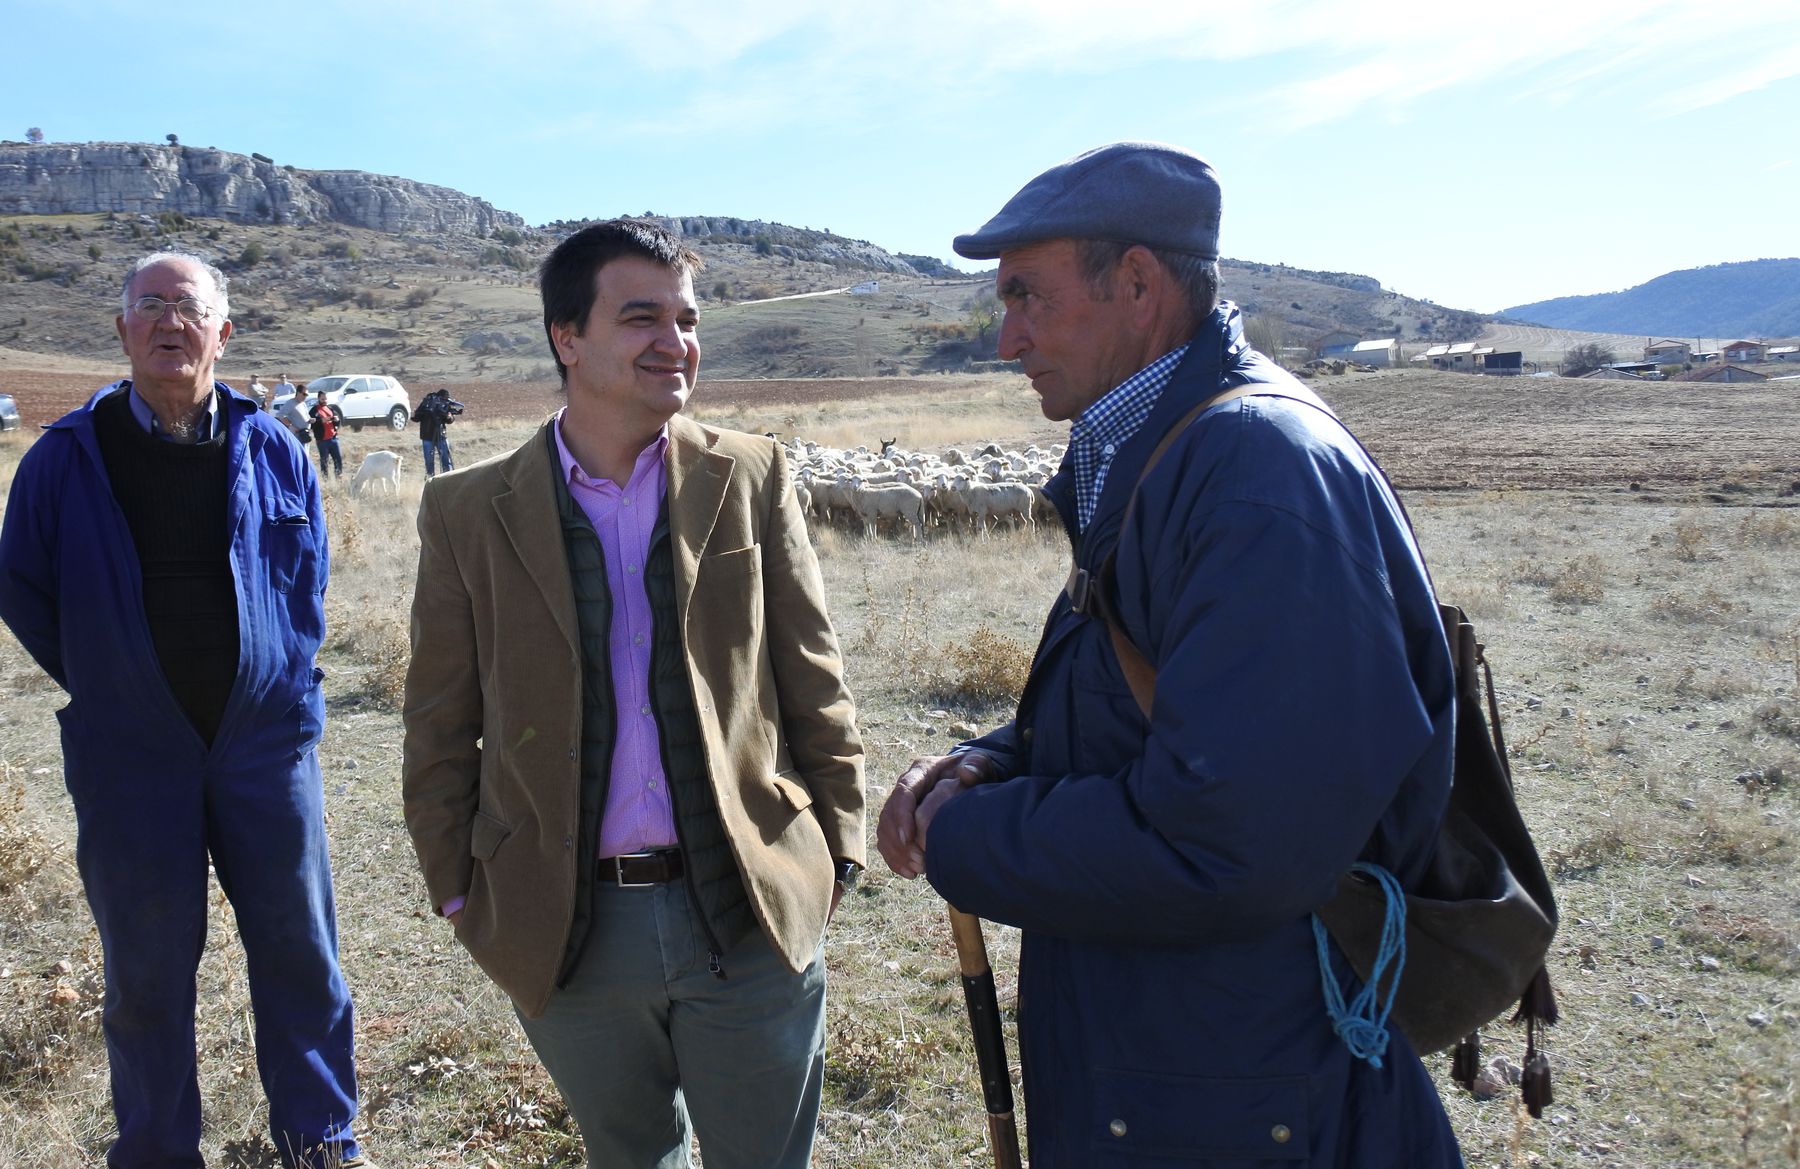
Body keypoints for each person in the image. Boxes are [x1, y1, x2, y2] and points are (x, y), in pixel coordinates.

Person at [875, 142, 1463, 1167]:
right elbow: (1166, 707)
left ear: (1138, 284)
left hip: (1243, 1080)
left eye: (1027, 296)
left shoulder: (1253, 472)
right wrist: (995, 758)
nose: (1005, 335)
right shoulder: (1166, 448)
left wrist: (968, 835)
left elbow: (1227, 840)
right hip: (1185, 1057)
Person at [402, 218, 865, 1169]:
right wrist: (459, 891)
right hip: (564, 927)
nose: (677, 341)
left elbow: (812, 671)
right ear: (567, 337)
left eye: (688, 318)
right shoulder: (466, 512)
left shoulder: (751, 472)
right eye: (642, 316)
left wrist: (838, 849)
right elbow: (441, 719)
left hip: (746, 903)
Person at [0, 252, 369, 1168]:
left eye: (188, 307)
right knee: (147, 974)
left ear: (222, 333)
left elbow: (308, 575)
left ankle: (322, 1141)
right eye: (149, 305)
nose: (170, 321)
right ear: (122, 329)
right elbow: (24, 587)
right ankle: (159, 1151)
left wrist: (273, 672)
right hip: (131, 754)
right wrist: (115, 676)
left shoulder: (276, 444)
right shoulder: (61, 458)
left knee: (300, 953)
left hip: (265, 745)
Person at [411, 387, 457, 476]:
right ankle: (430, 478)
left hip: (440, 435)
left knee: (446, 460)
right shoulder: (427, 403)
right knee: (429, 461)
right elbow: (416, 418)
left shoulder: (444, 404)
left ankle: (448, 477)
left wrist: (449, 416)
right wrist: (423, 412)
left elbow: (449, 420)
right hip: (428, 436)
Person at [308, 387, 343, 479]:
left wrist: (336, 420)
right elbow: (311, 424)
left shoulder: (330, 408)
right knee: (324, 461)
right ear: (318, 398)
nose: (324, 401)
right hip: (322, 440)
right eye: (322, 399)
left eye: (326, 399)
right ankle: (325, 479)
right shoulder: (314, 410)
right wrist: (320, 421)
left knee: (338, 460)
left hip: (333, 438)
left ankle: (338, 477)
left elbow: (337, 421)